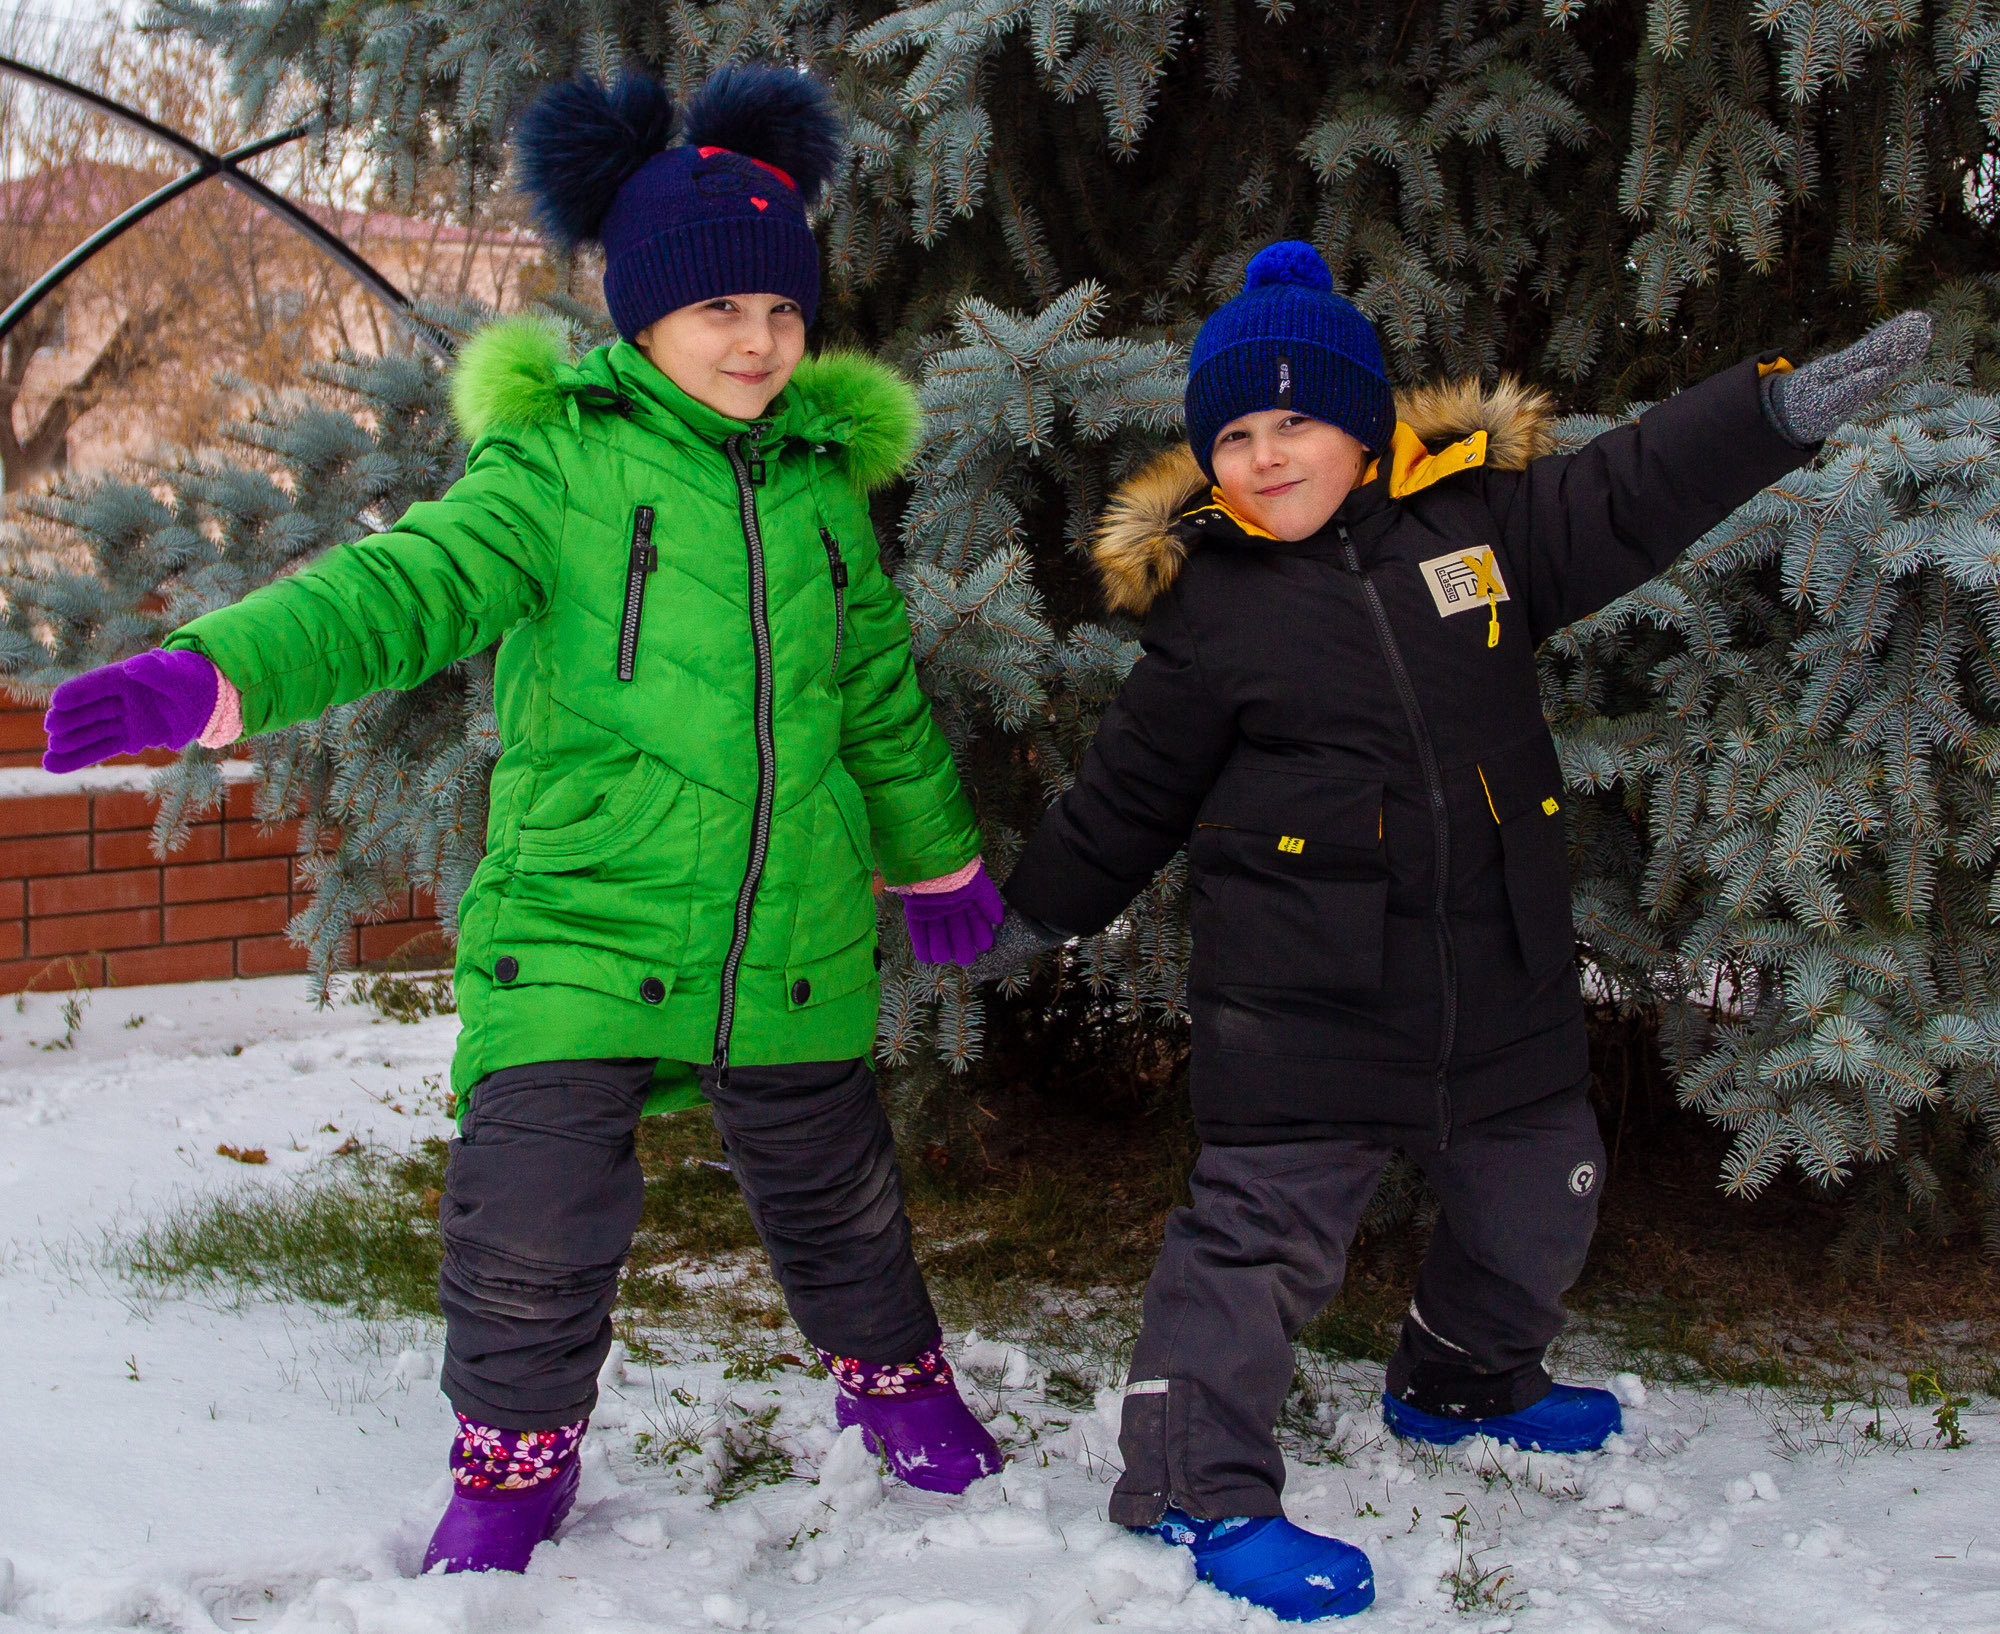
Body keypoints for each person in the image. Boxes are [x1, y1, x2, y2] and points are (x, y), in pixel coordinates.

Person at [41, 67, 1008, 1574]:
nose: (758, 340)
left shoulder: (821, 489)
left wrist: (934, 858)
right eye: (719, 308)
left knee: (839, 1195)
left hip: (789, 920)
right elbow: (405, 586)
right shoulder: (554, 465)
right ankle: (512, 1459)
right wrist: (216, 671)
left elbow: (872, 693)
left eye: (782, 309)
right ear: (644, 313)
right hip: (579, 911)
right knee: (532, 1213)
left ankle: (897, 1383)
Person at [950, 239, 1929, 1621]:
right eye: (1234, 436)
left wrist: (1771, 411)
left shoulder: (1483, 530)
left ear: (1363, 427)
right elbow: (1128, 794)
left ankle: (1463, 1377)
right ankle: (1190, 1482)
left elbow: (1632, 489)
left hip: (1498, 969)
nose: (1265, 457)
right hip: (1303, 1002)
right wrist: (1036, 910)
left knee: (1543, 1197)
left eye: (1295, 422)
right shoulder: (1211, 611)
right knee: (1254, 1247)